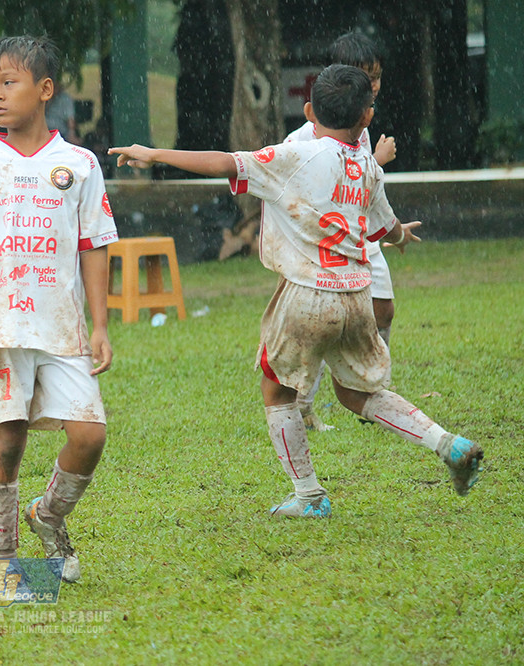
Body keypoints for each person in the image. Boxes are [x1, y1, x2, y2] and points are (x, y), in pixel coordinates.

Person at [109, 64, 483, 517]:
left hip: (306, 295)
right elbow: (386, 225)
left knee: (277, 390)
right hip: (355, 295)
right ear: (367, 118)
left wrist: (154, 153)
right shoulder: (367, 166)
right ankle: (448, 443)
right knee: (357, 393)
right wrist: (403, 236)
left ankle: (308, 495)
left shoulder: (296, 155)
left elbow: (224, 162)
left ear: (308, 110)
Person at [0, 35, 118, 582]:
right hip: (0, 334)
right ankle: (4, 567)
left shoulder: (80, 164)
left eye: (8, 83)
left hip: (63, 332)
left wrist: (102, 325)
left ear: (45, 90)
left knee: (89, 435)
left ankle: (48, 515)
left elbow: (94, 246)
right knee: (7, 442)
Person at [286, 31, 397, 432]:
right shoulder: (300, 139)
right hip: (323, 249)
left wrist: (394, 231)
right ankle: (303, 404)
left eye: (377, 77)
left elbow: (361, 184)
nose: (374, 87)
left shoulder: (362, 122)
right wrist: (377, 161)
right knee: (317, 331)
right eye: (366, 78)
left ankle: (374, 387)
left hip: (361, 237)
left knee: (383, 308)